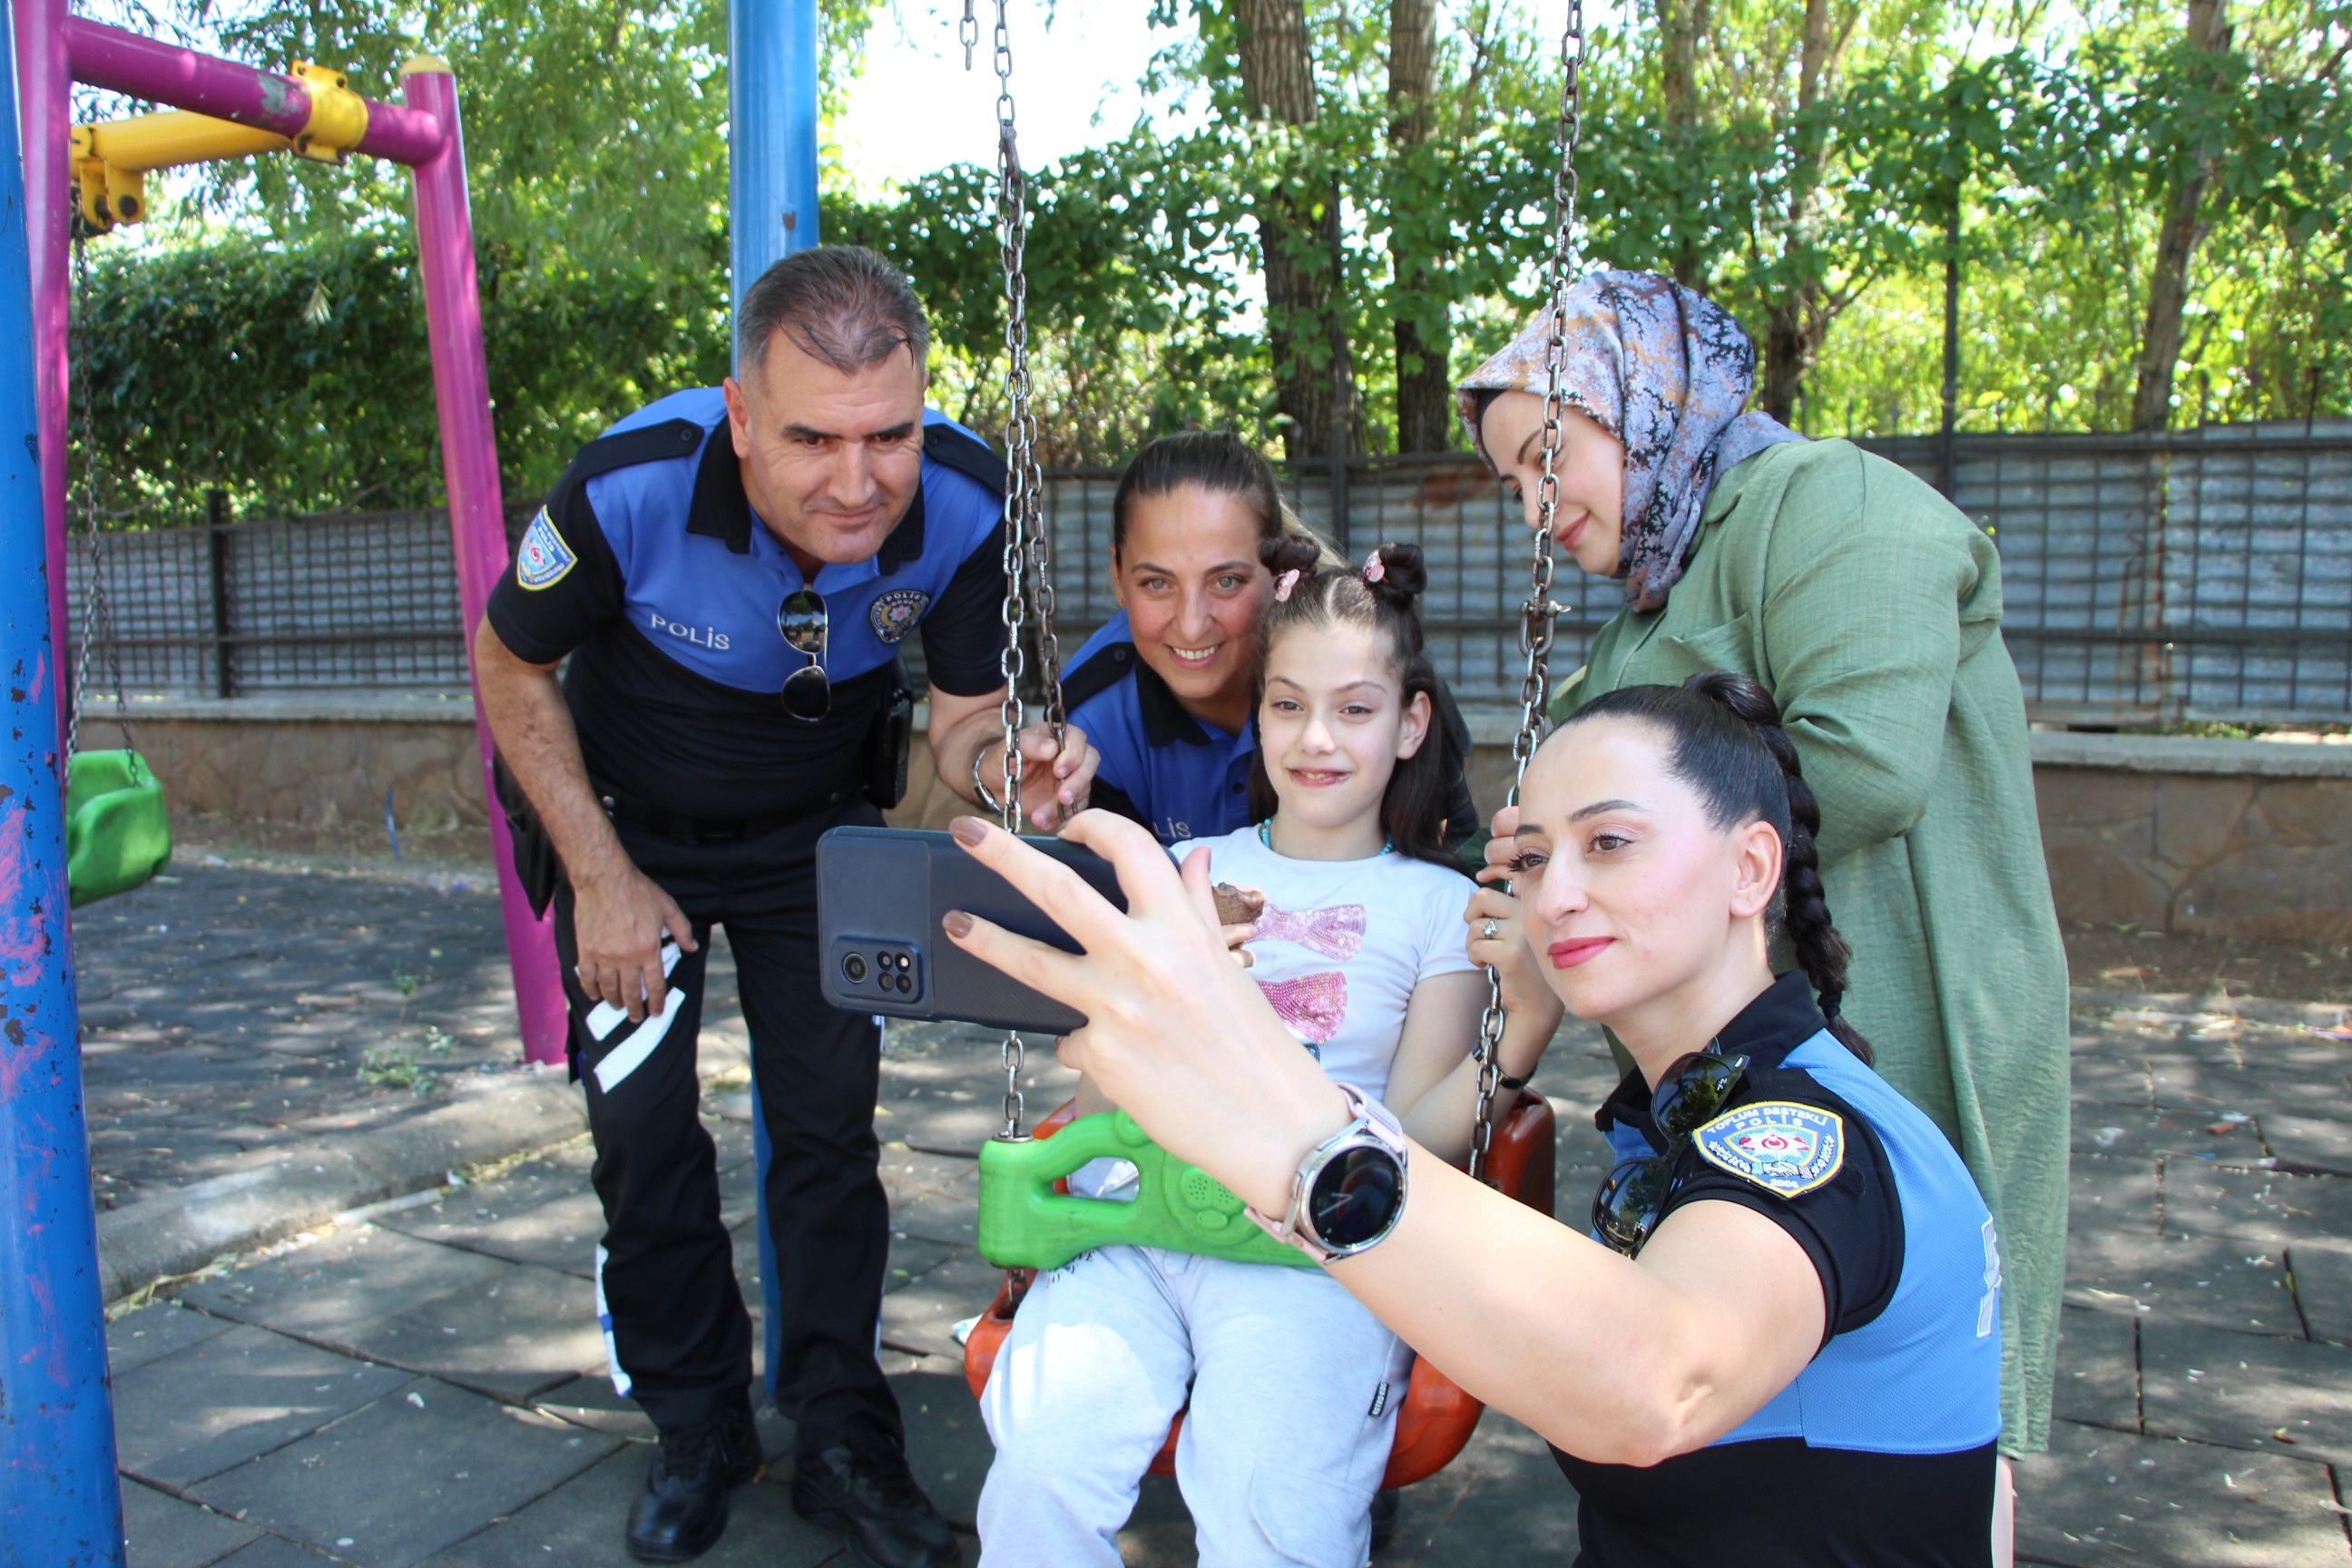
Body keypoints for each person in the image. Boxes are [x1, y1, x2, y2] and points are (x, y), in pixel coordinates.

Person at [940, 671, 2009, 1566]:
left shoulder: (1809, 1137)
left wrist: (1281, 1118)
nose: (1559, 898)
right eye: (1535, 859)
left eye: (1613, 844)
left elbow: (1661, 1382)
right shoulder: (1687, 1119)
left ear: (1750, 869)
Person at [474, 245, 1096, 1566]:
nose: (860, 483)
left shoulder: (970, 503)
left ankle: (838, 1431)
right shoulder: (624, 486)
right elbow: (510, 663)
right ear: (741, 416)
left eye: (892, 436)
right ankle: (696, 1424)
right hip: (626, 840)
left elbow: (968, 722)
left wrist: (1013, 765)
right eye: (814, 438)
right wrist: (597, 872)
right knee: (645, 1137)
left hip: (819, 846)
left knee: (828, 1138)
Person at [1459, 270, 2067, 1474]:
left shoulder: (1833, 505)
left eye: (1545, 457)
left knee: (1912, 1395)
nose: (1535, 508)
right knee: (1740, 1414)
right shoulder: (1652, 601)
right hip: (1740, 1055)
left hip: (1907, 1004)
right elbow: (1558, 810)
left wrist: (1608, 848)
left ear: (1639, 398)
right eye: (1509, 486)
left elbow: (1870, 766)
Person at [975, 541, 1549, 1567]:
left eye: (1356, 709)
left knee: (1267, 1507)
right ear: (1257, 712)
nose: (1316, 738)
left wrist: (1528, 1030)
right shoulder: (1186, 872)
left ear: (1411, 722)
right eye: (1287, 705)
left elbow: (1416, 1127)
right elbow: (1097, 1086)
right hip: (1136, 1220)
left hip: (1306, 1252)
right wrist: (1175, 999)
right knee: (1041, 1456)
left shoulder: (1436, 908)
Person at [1061, 430, 1481, 851]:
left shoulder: (1375, 669)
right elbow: (1113, 895)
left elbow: (1455, 858)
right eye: (1156, 583)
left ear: (1280, 571)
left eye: (1227, 582)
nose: (1191, 625)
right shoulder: (1096, 718)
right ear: (1118, 574)